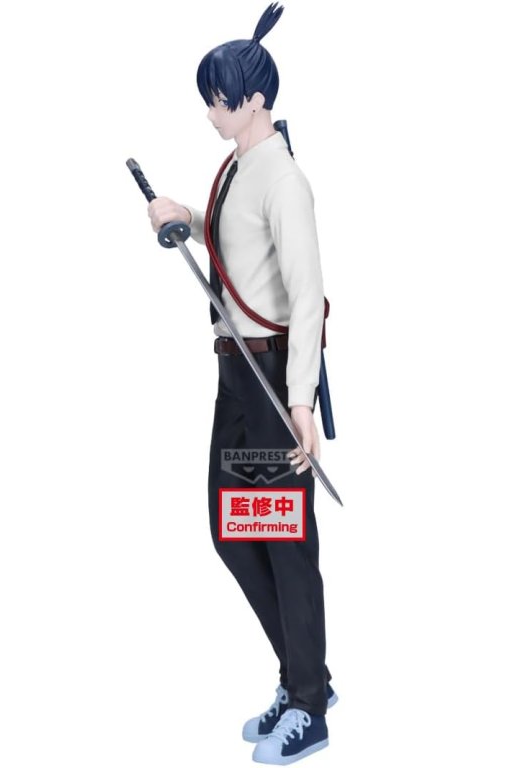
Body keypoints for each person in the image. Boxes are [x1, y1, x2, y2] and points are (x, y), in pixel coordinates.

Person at [147, 4, 336, 764]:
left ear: (254, 100)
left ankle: (310, 703)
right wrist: (186, 217)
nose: (211, 110)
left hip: (272, 377)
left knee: (285, 541)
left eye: (220, 98)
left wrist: (301, 403)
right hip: (235, 374)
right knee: (233, 530)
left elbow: (308, 296)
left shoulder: (283, 180)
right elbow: (235, 241)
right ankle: (303, 675)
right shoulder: (237, 167)